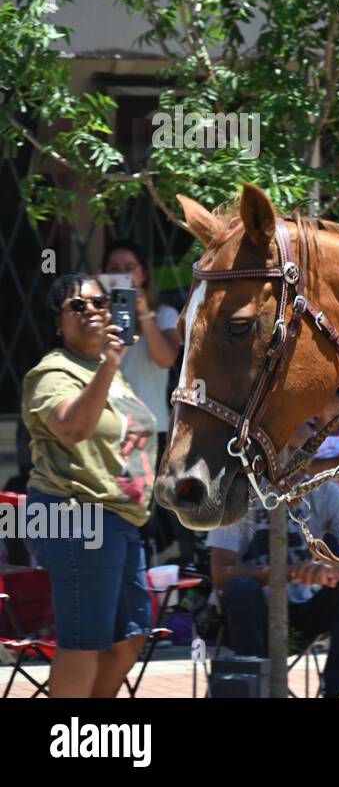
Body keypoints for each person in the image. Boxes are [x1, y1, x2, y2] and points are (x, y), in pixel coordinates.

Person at [21, 273, 158, 697]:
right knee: (86, 643)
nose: (92, 311)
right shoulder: (53, 371)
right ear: (58, 324)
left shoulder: (111, 374)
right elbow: (74, 427)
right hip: (76, 514)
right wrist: (110, 363)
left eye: (99, 303)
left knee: (128, 639)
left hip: (120, 517)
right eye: (76, 306)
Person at [207, 454, 339, 697]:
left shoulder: (326, 493)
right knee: (241, 589)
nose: (293, 461)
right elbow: (221, 573)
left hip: (303, 619)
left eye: (301, 451)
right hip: (251, 618)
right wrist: (282, 574)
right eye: (286, 449)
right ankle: (256, 688)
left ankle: (332, 691)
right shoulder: (239, 496)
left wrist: (335, 570)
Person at [102, 239, 187, 563]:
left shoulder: (163, 314)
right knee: (116, 513)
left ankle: (151, 572)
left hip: (149, 431)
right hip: (108, 430)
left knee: (148, 515)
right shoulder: (94, 316)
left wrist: (143, 314)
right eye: (115, 269)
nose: (123, 275)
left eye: (129, 269)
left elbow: (166, 358)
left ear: (144, 275)